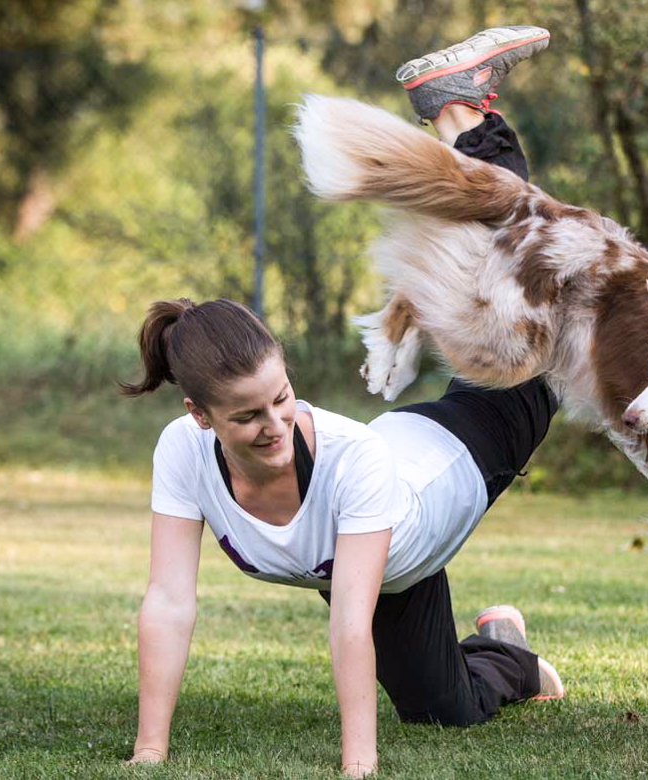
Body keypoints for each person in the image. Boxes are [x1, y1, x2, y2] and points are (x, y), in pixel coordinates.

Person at [123, 27, 559, 778]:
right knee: (442, 711)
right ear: (200, 415)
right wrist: (149, 752)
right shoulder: (182, 455)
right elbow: (168, 602)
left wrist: (360, 769)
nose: (274, 425)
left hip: (462, 451)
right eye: (246, 416)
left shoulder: (346, 459)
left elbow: (349, 624)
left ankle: (464, 112)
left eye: (281, 399)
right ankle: (510, 651)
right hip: (394, 559)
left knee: (523, 278)